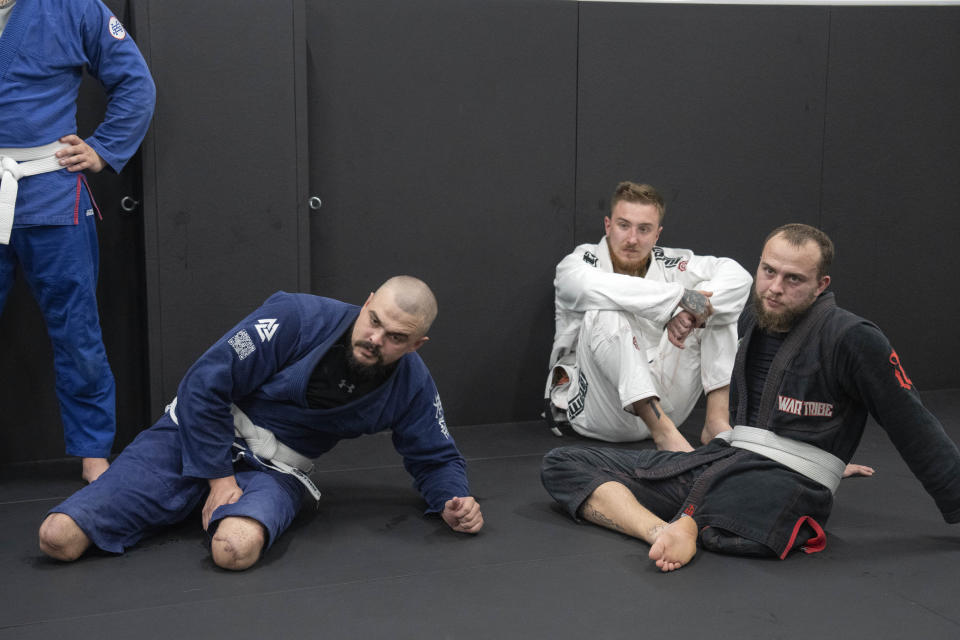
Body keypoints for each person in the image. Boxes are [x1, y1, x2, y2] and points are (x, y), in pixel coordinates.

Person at [541, 224, 960, 571]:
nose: (774, 288)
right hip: (726, 458)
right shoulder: (753, 316)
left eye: (793, 279)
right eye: (768, 271)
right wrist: (686, 311)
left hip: (784, 481)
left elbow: (913, 423)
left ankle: (686, 520)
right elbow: (712, 301)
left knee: (749, 519)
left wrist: (819, 455)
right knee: (563, 465)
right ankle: (661, 530)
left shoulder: (852, 337)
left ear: (821, 285)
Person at [38, 277, 484, 570]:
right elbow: (204, 384)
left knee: (235, 551)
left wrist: (453, 500)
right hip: (196, 434)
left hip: (275, 470)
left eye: (396, 338)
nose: (375, 339)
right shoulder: (296, 317)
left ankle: (189, 502)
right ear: (367, 303)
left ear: (417, 344)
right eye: (374, 321)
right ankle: (182, 496)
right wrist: (216, 479)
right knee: (57, 537)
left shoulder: (412, 384)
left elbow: (436, 455)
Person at [0, 0, 156, 482]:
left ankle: (93, 452)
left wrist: (105, 149)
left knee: (77, 329)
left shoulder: (71, 7)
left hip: (51, 184)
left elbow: (135, 82)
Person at [545, 181, 752, 450]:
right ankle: (662, 432)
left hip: (667, 402)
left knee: (714, 303)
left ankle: (716, 420)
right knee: (606, 306)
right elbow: (586, 286)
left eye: (644, 229)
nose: (632, 239)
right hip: (600, 410)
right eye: (623, 225)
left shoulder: (671, 263)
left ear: (657, 235)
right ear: (608, 225)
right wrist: (679, 299)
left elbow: (738, 276)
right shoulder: (579, 263)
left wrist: (691, 310)